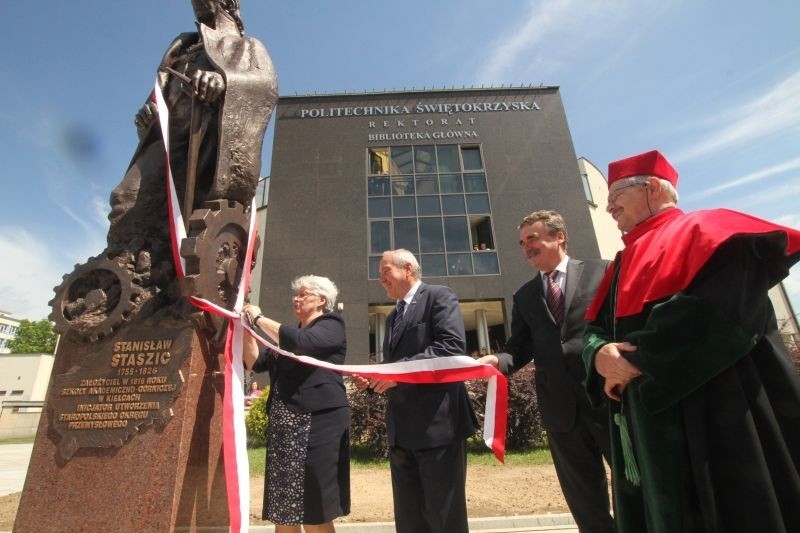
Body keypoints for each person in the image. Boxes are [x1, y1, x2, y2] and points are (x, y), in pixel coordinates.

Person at [583, 149, 800, 532]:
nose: (609, 209)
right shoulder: (620, 263)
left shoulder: (716, 231)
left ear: (651, 187)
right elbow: (594, 330)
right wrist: (600, 355)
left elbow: (718, 314)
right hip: (643, 427)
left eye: (616, 198)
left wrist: (637, 360)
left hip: (720, 414)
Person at [479, 210, 614, 533]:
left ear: (560, 237)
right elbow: (519, 347)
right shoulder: (525, 295)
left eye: (533, 239)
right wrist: (497, 362)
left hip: (609, 400)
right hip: (560, 412)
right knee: (585, 500)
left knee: (632, 488)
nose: (526, 247)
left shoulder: (603, 271)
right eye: (522, 242)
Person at [108, 0, 277, 252]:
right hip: (167, 137)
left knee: (190, 215)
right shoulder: (183, 47)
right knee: (125, 197)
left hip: (208, 139)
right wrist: (149, 114)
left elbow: (264, 85)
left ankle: (162, 270)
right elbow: (161, 92)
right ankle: (123, 266)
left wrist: (223, 81)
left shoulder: (248, 46)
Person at [353, 249, 477, 533]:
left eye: (385, 272)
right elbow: (395, 367)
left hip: (438, 429)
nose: (380, 279)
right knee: (409, 520)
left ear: (407, 269)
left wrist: (396, 374)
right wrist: (373, 380)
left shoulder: (438, 297)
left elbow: (450, 348)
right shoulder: (392, 317)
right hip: (401, 434)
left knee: (445, 519)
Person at [242, 275, 350, 533]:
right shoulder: (288, 336)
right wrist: (246, 328)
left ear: (321, 300)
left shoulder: (331, 325)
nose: (296, 298)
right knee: (284, 508)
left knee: (314, 507)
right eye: (296, 294)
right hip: (284, 429)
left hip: (317, 424)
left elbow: (303, 344)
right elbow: (254, 363)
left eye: (303, 294)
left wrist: (259, 318)